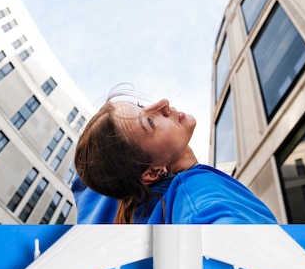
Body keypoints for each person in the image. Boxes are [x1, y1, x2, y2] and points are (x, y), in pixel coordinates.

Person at [73, 93, 276, 224]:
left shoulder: (106, 182)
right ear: (151, 173)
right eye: (150, 123)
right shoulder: (194, 196)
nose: (163, 103)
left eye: (141, 106)